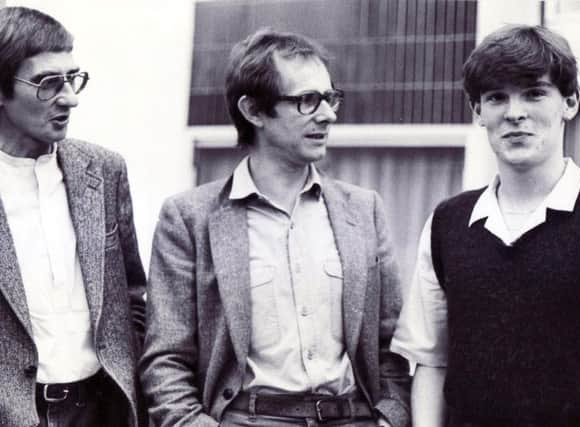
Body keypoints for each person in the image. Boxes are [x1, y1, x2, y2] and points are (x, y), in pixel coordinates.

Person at [140, 28, 410, 427]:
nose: (328, 114)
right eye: (307, 100)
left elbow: (392, 344)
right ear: (253, 111)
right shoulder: (189, 217)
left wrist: (390, 418)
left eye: (330, 97)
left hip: (353, 417)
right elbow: (166, 357)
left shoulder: (363, 209)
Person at [391, 24, 580, 427]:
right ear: (478, 112)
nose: (514, 113)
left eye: (534, 93)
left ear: (570, 101)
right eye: (496, 98)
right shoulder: (447, 222)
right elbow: (430, 362)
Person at [0, 7, 146, 427]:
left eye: (72, 78)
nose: (70, 97)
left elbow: (133, 293)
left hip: (103, 407)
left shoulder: (103, 169)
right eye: (48, 83)